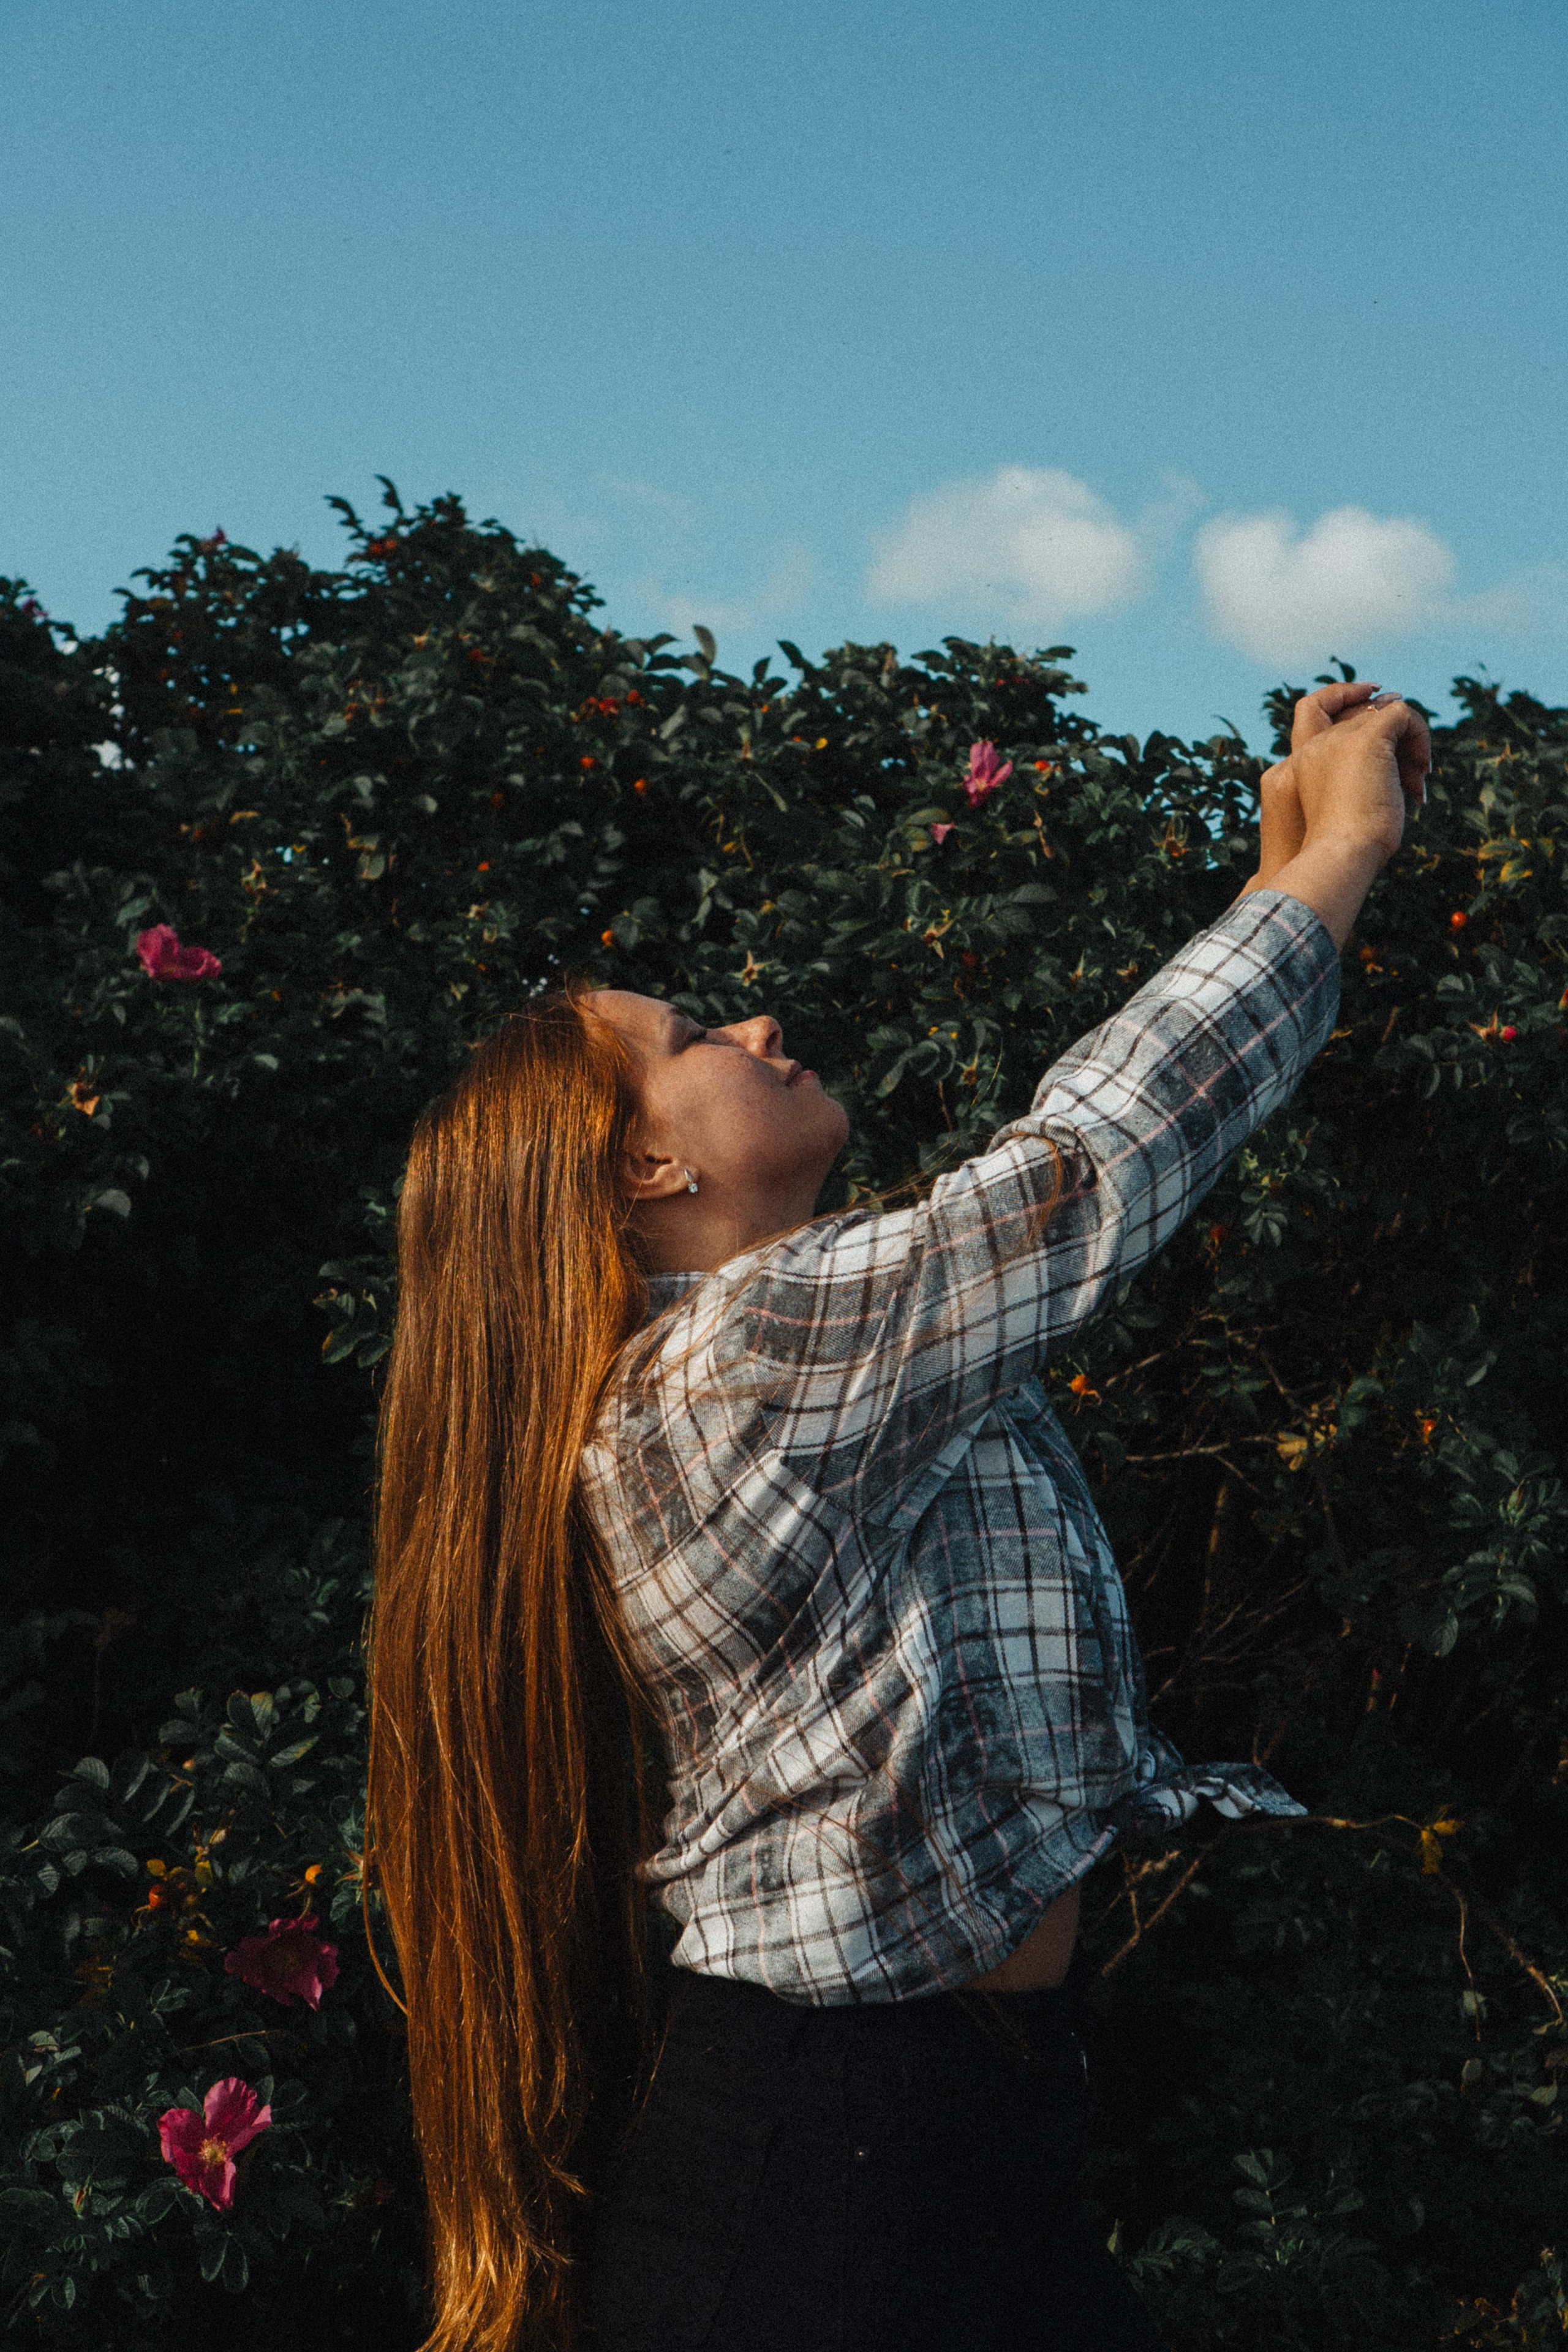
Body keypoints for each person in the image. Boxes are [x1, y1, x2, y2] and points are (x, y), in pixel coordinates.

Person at [366, 679, 1430, 2352]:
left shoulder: (782, 1365)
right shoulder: (739, 1365)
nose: (761, 1024)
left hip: (943, 2138)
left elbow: (1089, 1168)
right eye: (698, 1041)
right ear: (645, 1173)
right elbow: (1096, 1163)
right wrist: (1350, 846)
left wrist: (1280, 873)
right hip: (833, 2191)